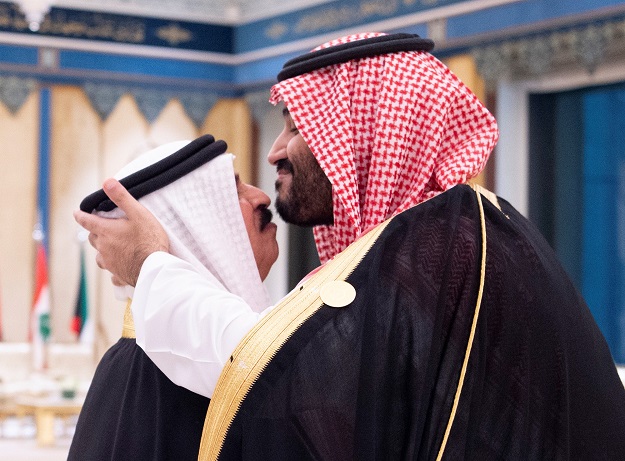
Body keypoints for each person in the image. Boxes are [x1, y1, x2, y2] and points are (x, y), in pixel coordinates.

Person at [76, 33, 625, 460]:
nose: (274, 154)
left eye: (297, 125)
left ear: (366, 131)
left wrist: (154, 265)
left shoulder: (452, 245)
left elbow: (284, 370)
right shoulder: (404, 252)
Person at [68, 135, 278, 460]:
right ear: (192, 229)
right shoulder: (161, 376)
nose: (262, 196)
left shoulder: (208, 350)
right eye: (233, 191)